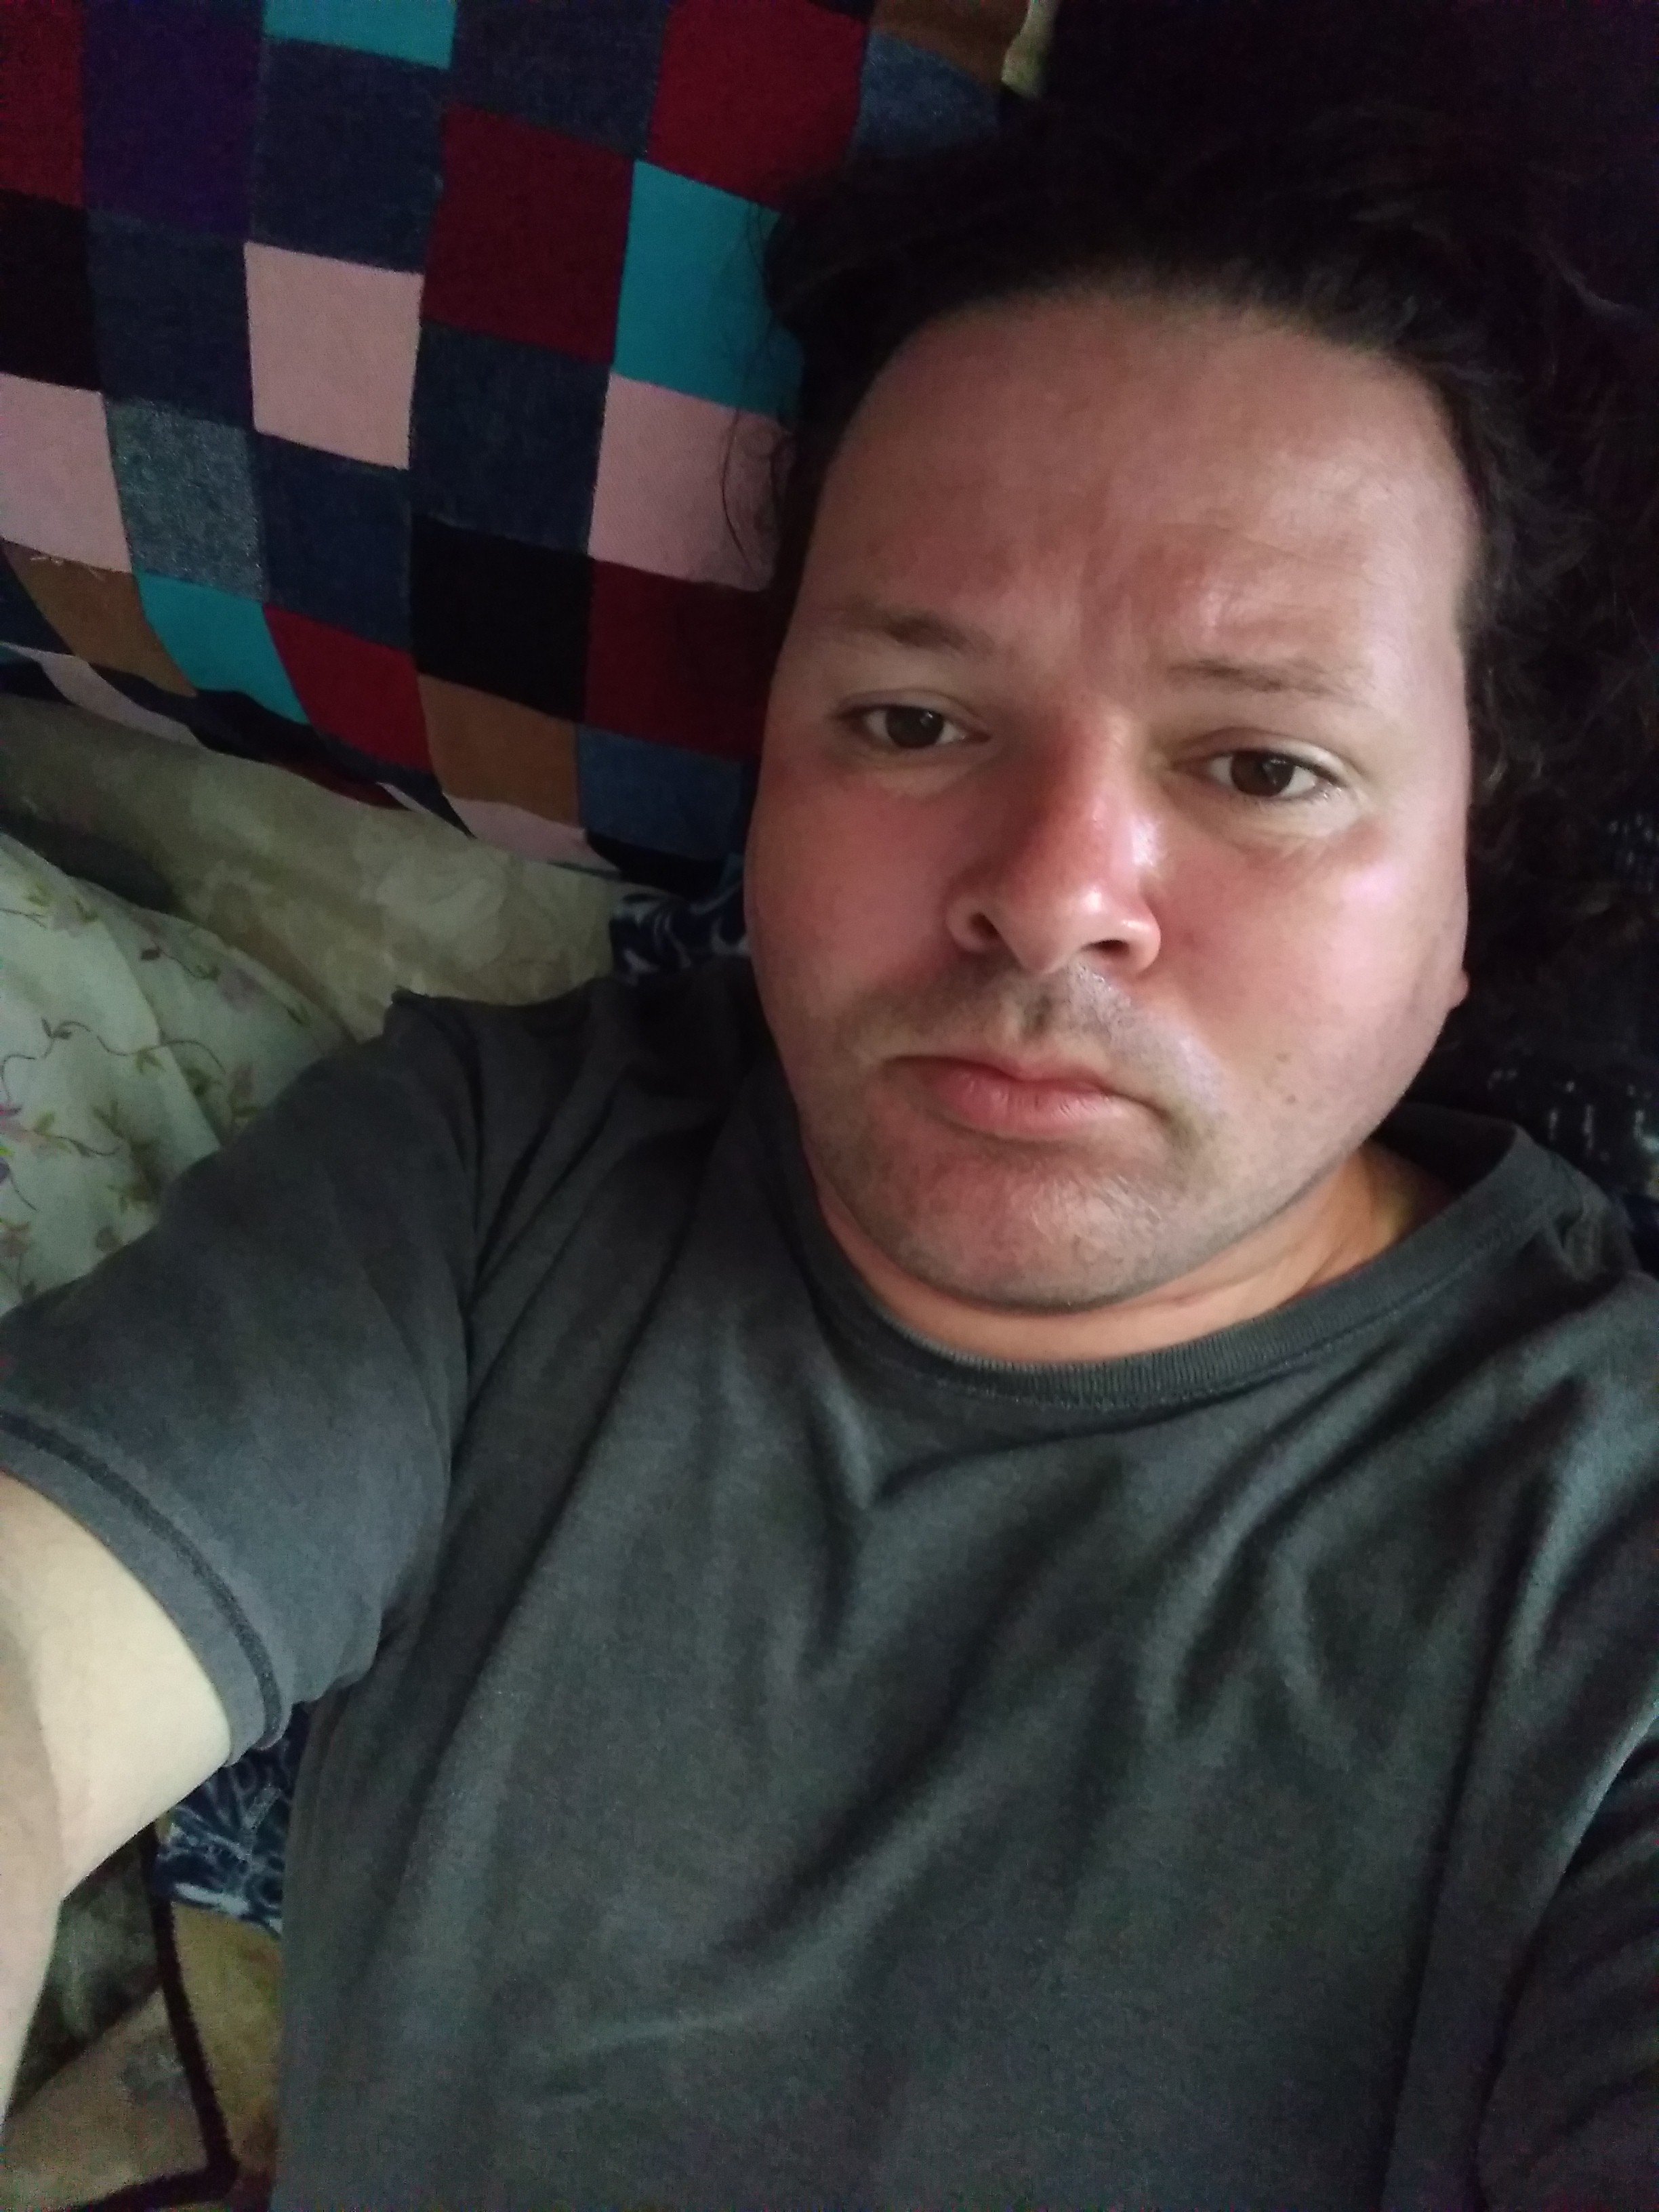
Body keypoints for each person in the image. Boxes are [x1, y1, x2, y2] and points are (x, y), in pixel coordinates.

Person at [1, 100, 1656, 2209]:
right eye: (912, 722)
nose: (1050, 896)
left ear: (1475, 874)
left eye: (1262, 765)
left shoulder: (1605, 1567)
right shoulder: (484, 1184)